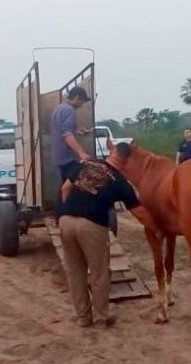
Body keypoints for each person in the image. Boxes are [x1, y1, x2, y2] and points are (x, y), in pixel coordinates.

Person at [59, 142, 162, 328]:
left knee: (75, 272)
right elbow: (139, 213)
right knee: (99, 273)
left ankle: (83, 318)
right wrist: (157, 229)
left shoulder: (86, 164)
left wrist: (68, 210)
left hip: (66, 221)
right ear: (126, 161)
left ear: (111, 152)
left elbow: (65, 188)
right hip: (91, 225)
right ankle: (100, 319)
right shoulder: (120, 181)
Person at [50, 86, 94, 219]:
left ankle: (59, 216)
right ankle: (67, 216)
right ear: (77, 98)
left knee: (65, 185)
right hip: (69, 157)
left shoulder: (59, 108)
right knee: (72, 188)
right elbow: (67, 135)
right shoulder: (69, 111)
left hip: (59, 156)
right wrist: (81, 153)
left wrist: (78, 131)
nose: (82, 105)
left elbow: (63, 131)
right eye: (82, 101)